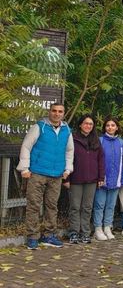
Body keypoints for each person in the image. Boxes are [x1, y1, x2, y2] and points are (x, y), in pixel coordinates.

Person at [18, 103, 73, 249]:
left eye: (60, 111)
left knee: (52, 206)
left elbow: (69, 151)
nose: (57, 114)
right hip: (37, 172)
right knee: (34, 205)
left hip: (56, 175)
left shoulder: (66, 130)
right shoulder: (39, 127)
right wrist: (24, 168)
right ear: (50, 112)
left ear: (63, 113)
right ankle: (32, 237)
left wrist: (68, 169)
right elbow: (26, 146)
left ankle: (49, 235)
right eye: (54, 111)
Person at [66, 115, 105, 244]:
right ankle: (74, 233)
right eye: (86, 123)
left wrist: (100, 177)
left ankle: (85, 233)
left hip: (92, 179)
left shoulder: (96, 141)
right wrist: (66, 178)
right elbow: (68, 158)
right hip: (76, 178)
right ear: (80, 124)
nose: (88, 126)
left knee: (87, 207)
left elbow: (100, 160)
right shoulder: (72, 138)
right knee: (75, 207)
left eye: (91, 124)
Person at [93, 117, 123, 241]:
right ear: (104, 128)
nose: (110, 127)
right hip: (102, 180)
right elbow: (95, 160)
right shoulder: (100, 141)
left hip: (116, 180)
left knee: (110, 205)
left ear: (117, 127)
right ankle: (98, 228)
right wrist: (98, 177)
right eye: (108, 125)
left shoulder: (121, 143)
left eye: (113, 125)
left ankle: (107, 227)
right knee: (99, 205)